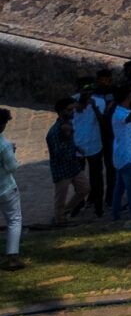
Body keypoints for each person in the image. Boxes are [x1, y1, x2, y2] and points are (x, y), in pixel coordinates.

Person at [70, 80, 110, 219]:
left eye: (89, 91)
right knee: (77, 180)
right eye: (84, 90)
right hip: (77, 147)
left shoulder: (99, 102)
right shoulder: (71, 102)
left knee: (96, 179)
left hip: (94, 146)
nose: (86, 93)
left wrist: (94, 108)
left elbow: (103, 122)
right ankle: (78, 204)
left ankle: (98, 206)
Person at [45, 94, 83, 226]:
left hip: (73, 166)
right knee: (60, 198)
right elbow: (58, 153)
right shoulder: (54, 132)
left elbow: (69, 144)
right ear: (61, 112)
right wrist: (67, 137)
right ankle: (59, 220)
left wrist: (76, 148)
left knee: (84, 188)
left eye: (72, 109)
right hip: (61, 169)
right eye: (69, 110)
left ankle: (63, 213)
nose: (72, 112)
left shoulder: (68, 124)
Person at [107, 92, 131, 221]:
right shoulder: (120, 114)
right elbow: (129, 118)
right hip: (128, 157)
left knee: (119, 189)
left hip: (121, 156)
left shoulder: (118, 111)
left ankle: (116, 215)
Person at [0, 109, 21, 269]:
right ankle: (13, 258)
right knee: (14, 221)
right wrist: (12, 152)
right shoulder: (4, 145)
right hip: (6, 188)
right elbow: (12, 167)